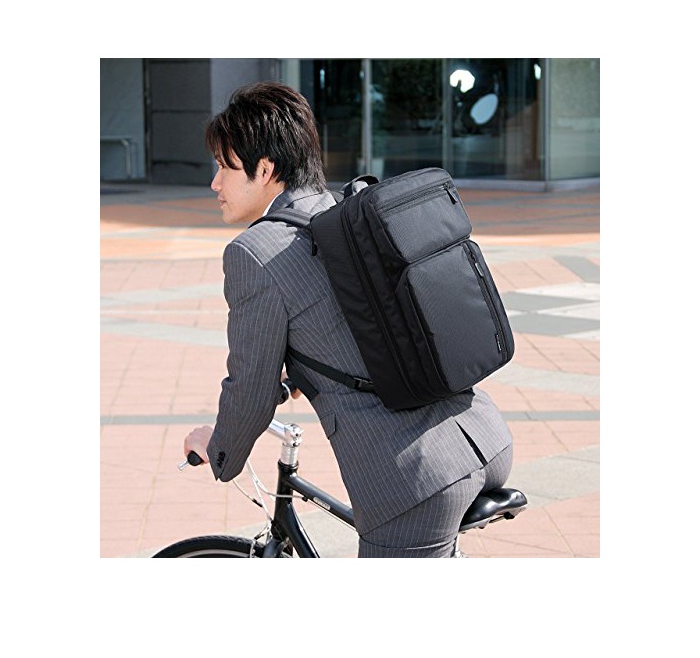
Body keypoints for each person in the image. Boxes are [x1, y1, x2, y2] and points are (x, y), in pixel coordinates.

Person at [184, 81, 514, 558]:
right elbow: (348, 329)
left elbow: (249, 387)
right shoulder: (343, 214)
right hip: (482, 435)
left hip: (415, 483)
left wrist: (219, 449)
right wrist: (300, 374)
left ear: (265, 169)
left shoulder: (254, 253)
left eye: (224, 166)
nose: (215, 183)